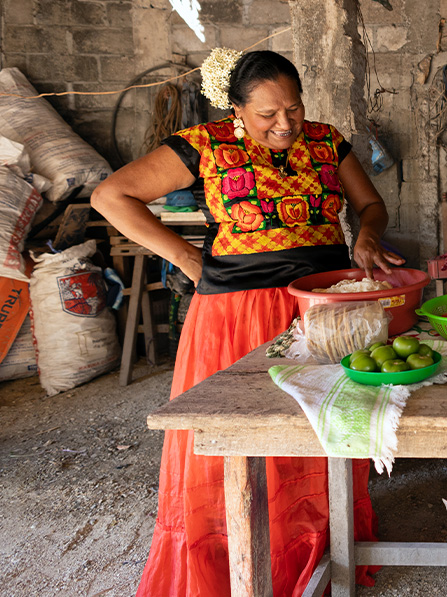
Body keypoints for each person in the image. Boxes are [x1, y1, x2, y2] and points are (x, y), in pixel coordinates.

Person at [90, 49, 402, 596]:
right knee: (239, 438)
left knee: (319, 429)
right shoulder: (206, 144)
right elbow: (112, 195)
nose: (285, 124)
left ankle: (321, 548)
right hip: (236, 315)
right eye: (267, 114)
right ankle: (239, 559)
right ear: (237, 110)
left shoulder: (328, 141)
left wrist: (368, 236)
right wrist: (189, 261)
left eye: (294, 109)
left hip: (320, 312)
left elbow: (369, 205)